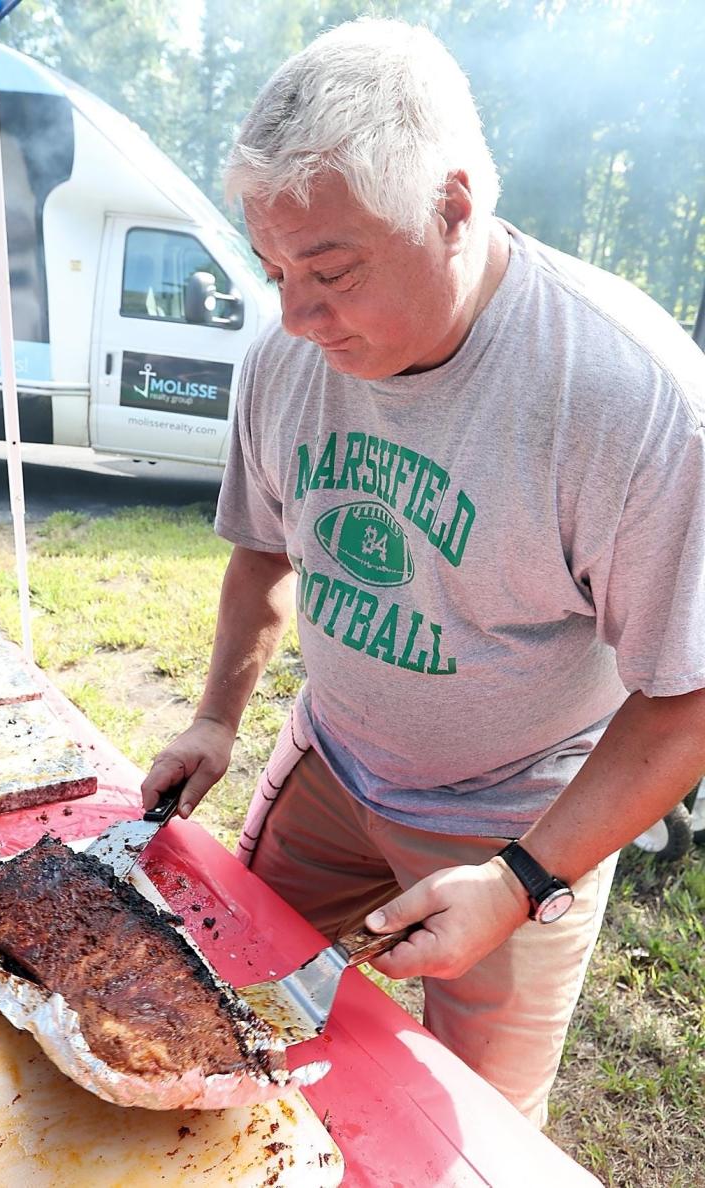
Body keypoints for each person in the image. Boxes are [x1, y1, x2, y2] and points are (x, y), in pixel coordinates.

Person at [141, 16, 705, 1127]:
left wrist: (519, 882)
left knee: (469, 1134)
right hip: (335, 766)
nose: (296, 316)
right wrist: (214, 719)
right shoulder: (286, 356)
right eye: (272, 270)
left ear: (452, 208)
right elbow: (265, 546)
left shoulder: (632, 402)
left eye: (331, 270)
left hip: (524, 807)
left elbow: (687, 700)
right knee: (208, 1001)